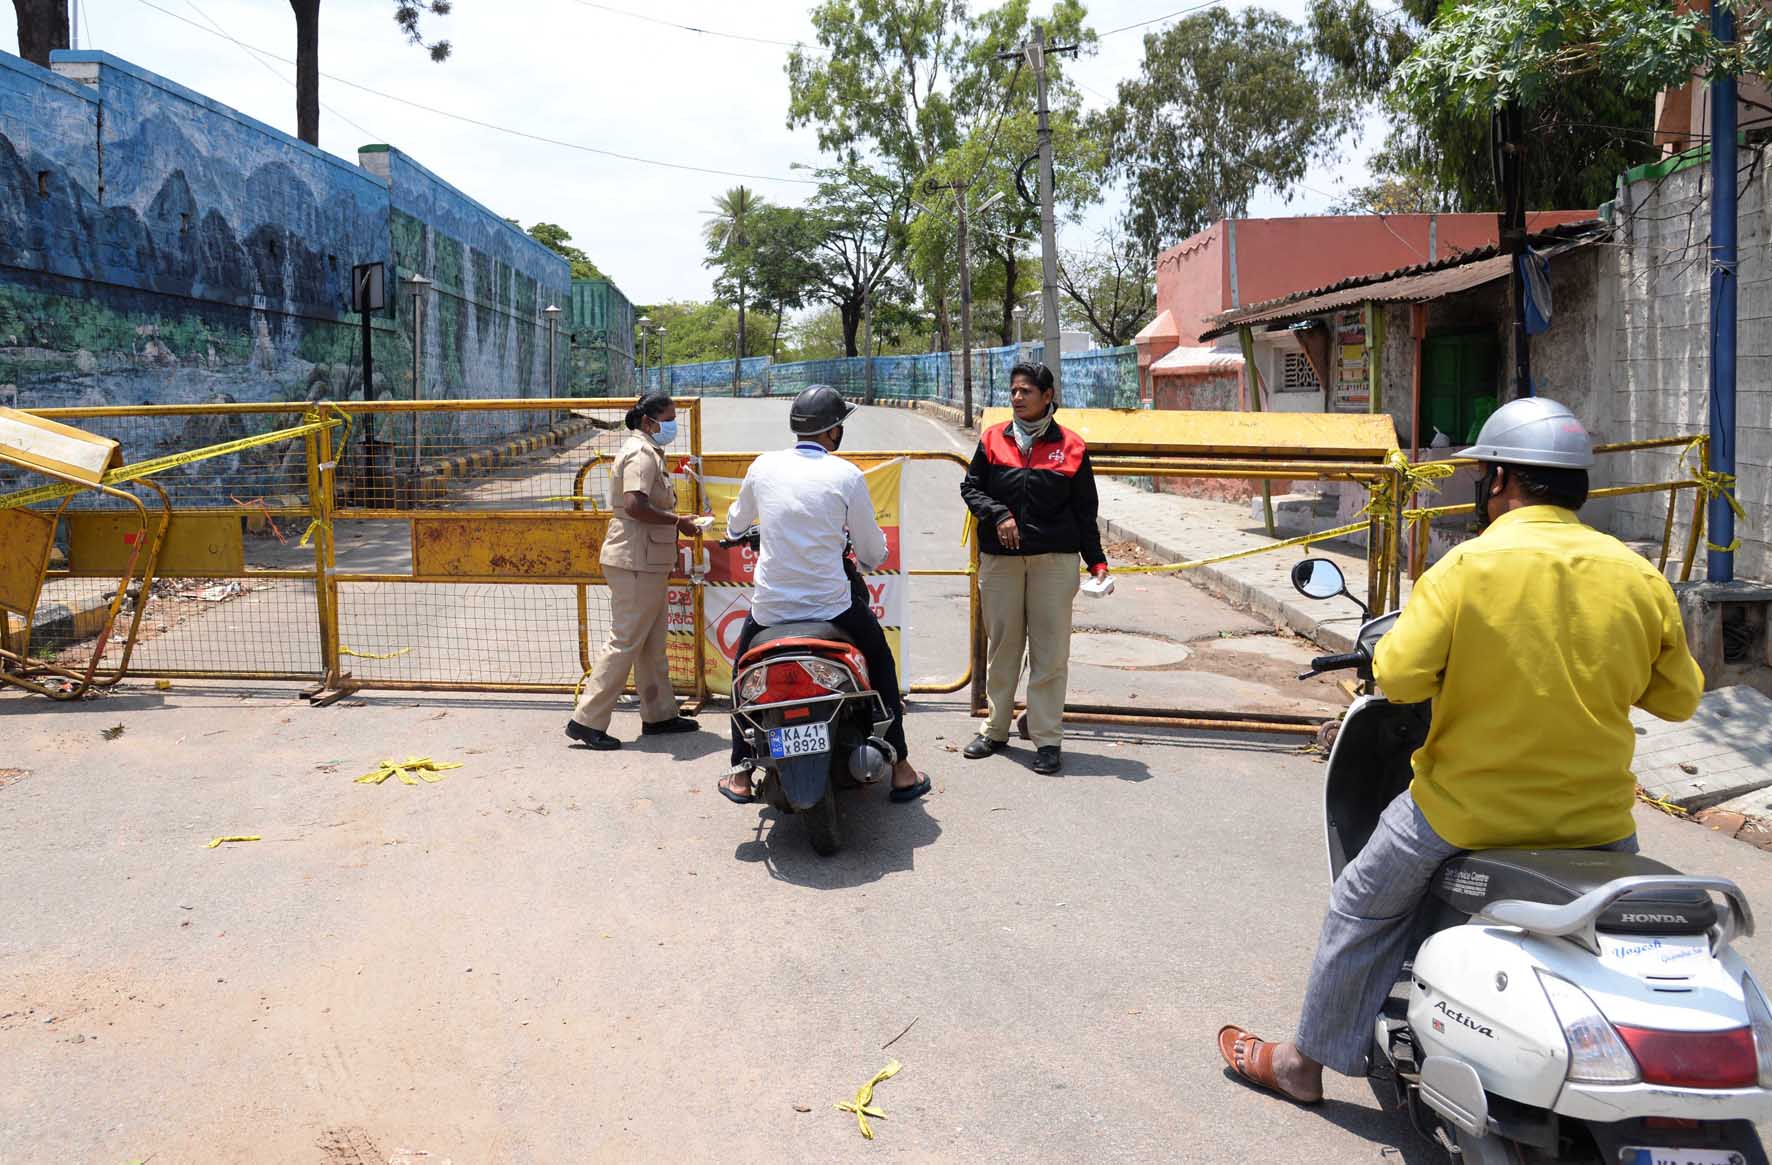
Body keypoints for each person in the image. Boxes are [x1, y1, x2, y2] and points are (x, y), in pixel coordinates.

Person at [1216, 397, 1704, 1104]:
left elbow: (1398, 674)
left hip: (1461, 812)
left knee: (1360, 903)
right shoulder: (1638, 577)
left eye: (1486, 476)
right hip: (1598, 824)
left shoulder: (1467, 567)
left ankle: (1302, 1064)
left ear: (1503, 478)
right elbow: (1679, 697)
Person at [715, 385, 930, 805]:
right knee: (881, 663)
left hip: (771, 609)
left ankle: (740, 772)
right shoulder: (845, 474)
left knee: (741, 674)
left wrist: (734, 534)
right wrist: (871, 560)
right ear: (832, 432)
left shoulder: (763, 467)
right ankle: (902, 768)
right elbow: (869, 551)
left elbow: (736, 523)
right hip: (834, 608)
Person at [958, 362, 1109, 775]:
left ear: (1047, 396)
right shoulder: (992, 439)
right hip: (1000, 561)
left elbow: (1084, 511)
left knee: (1050, 652)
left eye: (1026, 391)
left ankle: (1047, 739)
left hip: (1054, 562)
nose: (1018, 397)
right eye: (1013, 391)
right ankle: (995, 729)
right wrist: (998, 514)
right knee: (1003, 646)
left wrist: (1095, 560)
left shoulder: (1073, 447)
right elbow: (971, 487)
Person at [564, 392, 701, 751]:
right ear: (648, 421)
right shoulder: (640, 453)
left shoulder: (650, 451)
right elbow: (634, 504)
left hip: (647, 559)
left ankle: (659, 714)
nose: (672, 426)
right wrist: (679, 522)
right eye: (668, 418)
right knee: (625, 641)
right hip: (635, 560)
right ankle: (586, 720)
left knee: (652, 643)